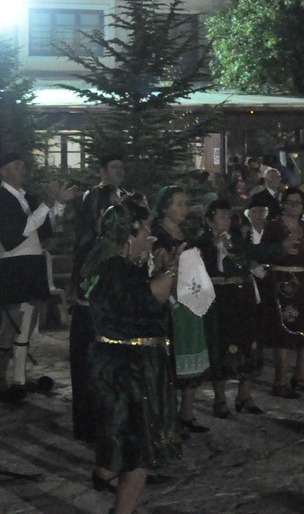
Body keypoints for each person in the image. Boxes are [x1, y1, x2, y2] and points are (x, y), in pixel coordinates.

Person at [80, 200, 182, 513]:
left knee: (122, 435)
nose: (150, 237)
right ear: (129, 234)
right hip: (132, 367)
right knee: (140, 448)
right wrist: (174, 267)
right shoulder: (118, 270)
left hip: (113, 362)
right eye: (146, 230)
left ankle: (106, 473)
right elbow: (153, 299)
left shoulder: (104, 264)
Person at [0, 152, 63, 403]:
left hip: (33, 263)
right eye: (17, 166)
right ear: (3, 171)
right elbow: (18, 233)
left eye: (23, 166)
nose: (23, 170)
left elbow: (45, 229)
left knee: (28, 322)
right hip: (14, 265)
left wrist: (58, 204)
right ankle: (0, 381)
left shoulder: (28, 198)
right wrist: (47, 204)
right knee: (12, 323)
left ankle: (19, 377)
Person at [69, 154, 128, 442]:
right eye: (115, 166)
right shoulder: (93, 198)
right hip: (93, 300)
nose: (120, 171)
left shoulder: (124, 198)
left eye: (122, 167)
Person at [152, 184, 214, 434]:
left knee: (193, 351)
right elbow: (155, 271)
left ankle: (187, 412)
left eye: (186, 203)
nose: (184, 208)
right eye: (179, 203)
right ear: (165, 207)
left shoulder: (187, 233)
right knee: (172, 355)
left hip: (190, 298)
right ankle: (167, 419)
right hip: (170, 300)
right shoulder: (156, 235)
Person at [259, 186, 304, 398]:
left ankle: (301, 377)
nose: (293, 206)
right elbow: (264, 253)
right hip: (282, 283)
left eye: (297, 203)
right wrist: (282, 248)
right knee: (282, 330)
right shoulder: (274, 226)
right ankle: (280, 381)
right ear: (283, 204)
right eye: (289, 202)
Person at [195, 199, 267, 416]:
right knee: (222, 345)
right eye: (221, 216)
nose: (226, 220)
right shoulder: (202, 243)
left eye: (228, 215)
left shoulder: (236, 239)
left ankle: (245, 394)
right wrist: (213, 247)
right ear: (209, 220)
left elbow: (252, 256)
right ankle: (219, 399)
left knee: (248, 341)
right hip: (220, 299)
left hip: (243, 296)